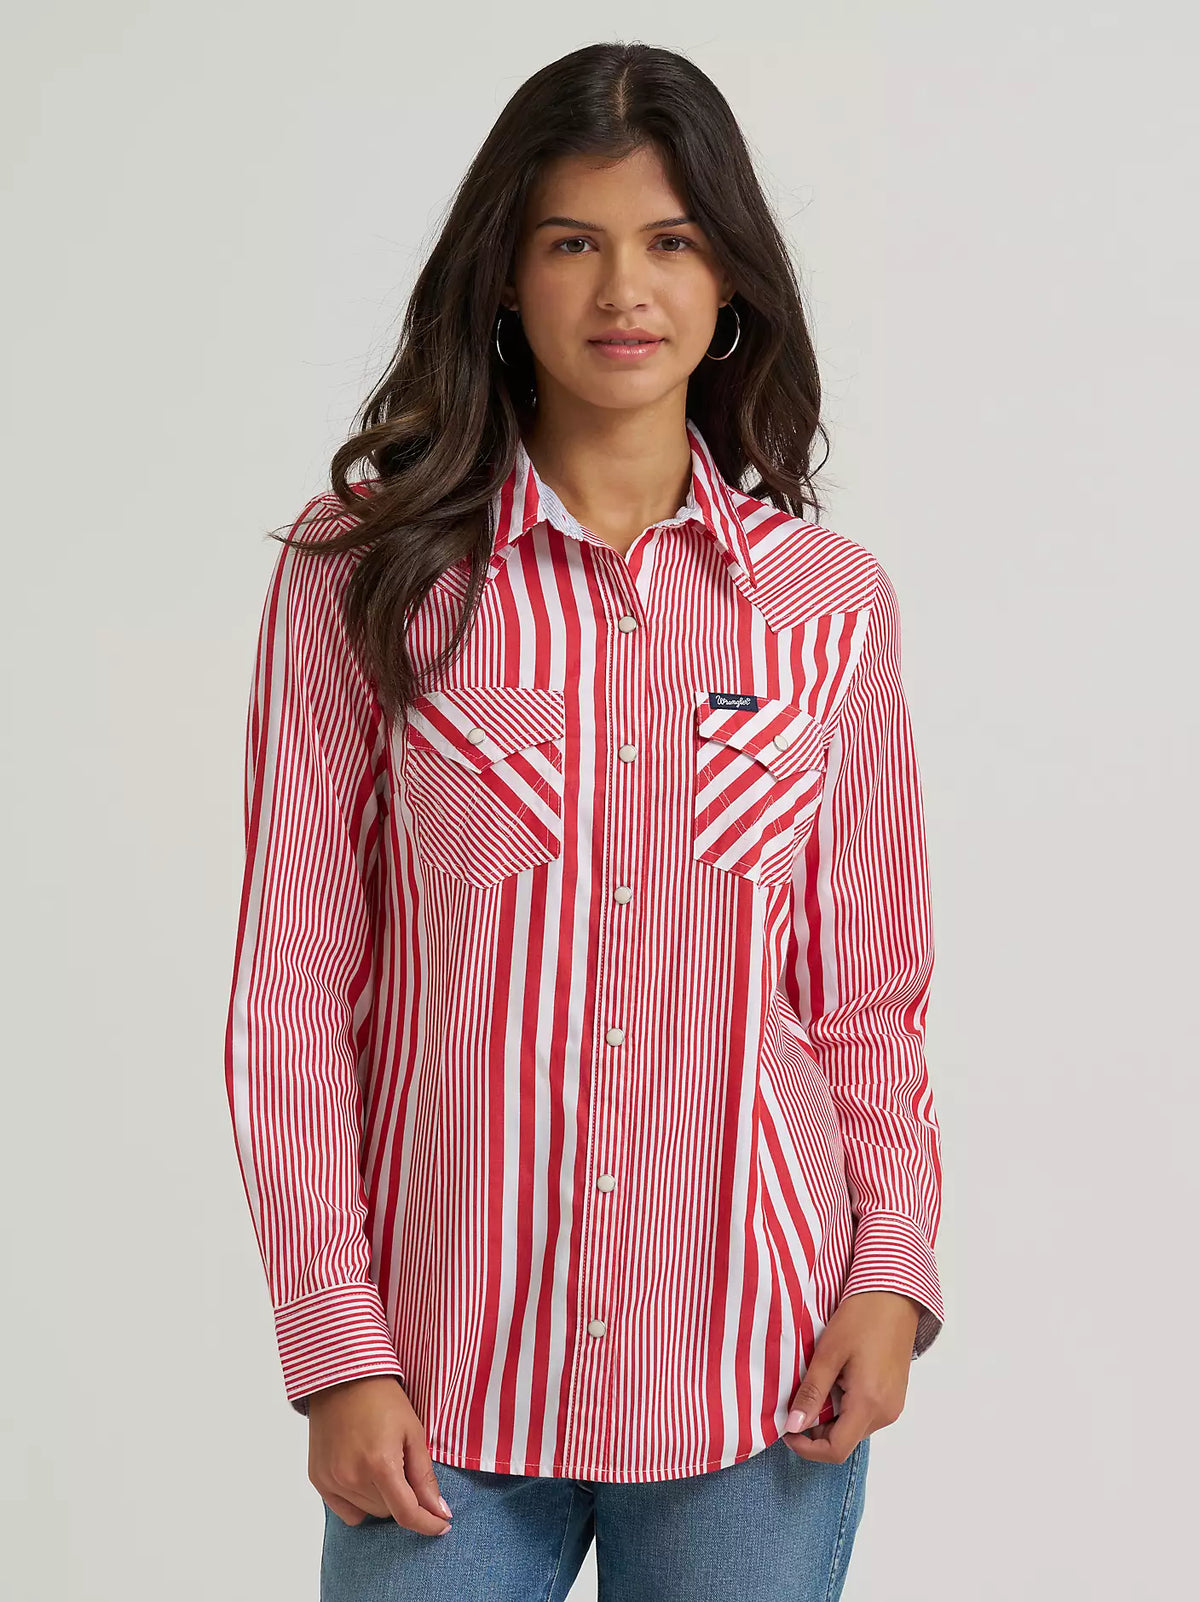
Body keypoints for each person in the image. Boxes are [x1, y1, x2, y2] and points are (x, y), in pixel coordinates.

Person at [224, 39, 945, 1602]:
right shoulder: (364, 571)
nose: (626, 289)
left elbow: (867, 997)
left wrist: (891, 1270)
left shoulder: (827, 607)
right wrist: (335, 1342)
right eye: (572, 242)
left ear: (729, 276)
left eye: (671, 241)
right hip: (441, 1378)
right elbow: (291, 982)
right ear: (506, 275)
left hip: (760, 1366)